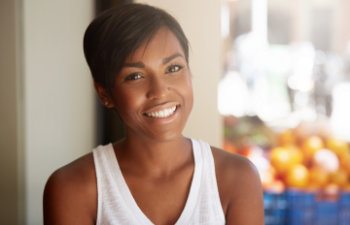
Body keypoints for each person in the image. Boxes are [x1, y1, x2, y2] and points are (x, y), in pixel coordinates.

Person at [43, 3, 264, 225]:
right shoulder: (73, 188)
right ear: (104, 93)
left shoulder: (238, 178)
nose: (159, 91)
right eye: (135, 76)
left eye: (173, 68)